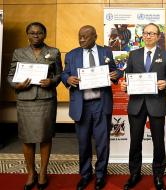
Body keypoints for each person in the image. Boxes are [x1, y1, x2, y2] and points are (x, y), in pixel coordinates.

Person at [61, 25, 121, 190]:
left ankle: (101, 175)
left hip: (101, 103)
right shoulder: (72, 55)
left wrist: (116, 75)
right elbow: (64, 74)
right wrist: (68, 79)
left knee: (102, 143)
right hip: (82, 105)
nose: (81, 40)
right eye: (79, 36)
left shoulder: (106, 52)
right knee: (83, 143)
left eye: (85, 37)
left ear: (95, 36)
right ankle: (85, 175)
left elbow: (115, 71)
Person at [7, 22, 62, 190]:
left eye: (39, 33)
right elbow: (11, 75)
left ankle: (43, 172)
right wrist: (17, 85)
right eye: (32, 33)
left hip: (46, 100)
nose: (36, 35)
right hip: (25, 100)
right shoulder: (19, 52)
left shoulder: (53, 52)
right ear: (28, 35)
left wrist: (52, 81)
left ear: (45, 34)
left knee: (45, 137)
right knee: (26, 138)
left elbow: (60, 74)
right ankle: (31, 173)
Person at [121, 23, 166, 190]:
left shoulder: (165, 55)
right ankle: (134, 173)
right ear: (142, 36)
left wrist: (165, 83)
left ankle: (158, 175)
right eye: (145, 33)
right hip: (136, 104)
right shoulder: (133, 54)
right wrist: (125, 85)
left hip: (156, 103)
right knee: (135, 141)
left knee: (159, 143)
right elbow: (127, 77)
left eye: (152, 33)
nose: (148, 36)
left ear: (158, 36)